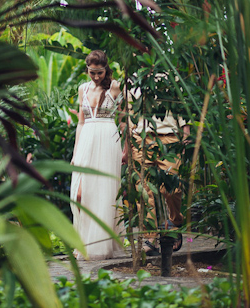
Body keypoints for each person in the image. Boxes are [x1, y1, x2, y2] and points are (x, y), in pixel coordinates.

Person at [122, 83, 189, 256]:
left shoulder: (169, 76)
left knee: (171, 188)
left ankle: (175, 223)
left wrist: (186, 135)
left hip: (169, 138)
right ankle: (149, 237)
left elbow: (180, 107)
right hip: (140, 139)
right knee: (142, 189)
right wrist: (128, 147)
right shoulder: (132, 82)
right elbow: (130, 114)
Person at [70, 50, 124, 260]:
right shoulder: (82, 88)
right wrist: (76, 153)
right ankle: (83, 242)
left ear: (105, 69)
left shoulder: (114, 86)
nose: (95, 77)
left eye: (99, 72)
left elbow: (123, 119)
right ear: (87, 70)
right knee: (80, 195)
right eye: (92, 72)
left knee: (103, 192)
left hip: (108, 141)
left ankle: (99, 246)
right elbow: (81, 122)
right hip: (86, 141)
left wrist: (126, 148)